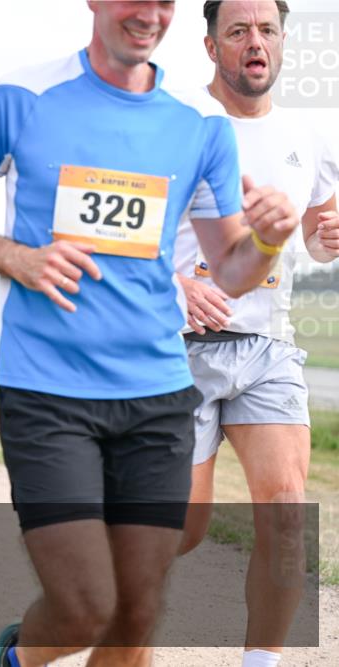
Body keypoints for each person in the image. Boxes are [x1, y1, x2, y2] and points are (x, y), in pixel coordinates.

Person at [0, 2, 301, 666]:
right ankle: (15, 657)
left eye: (165, 0)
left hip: (157, 394)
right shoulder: (20, 99)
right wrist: (17, 257)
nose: (150, 13)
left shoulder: (201, 123)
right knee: (84, 605)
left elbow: (235, 268)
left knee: (136, 611)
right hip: (47, 392)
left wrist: (268, 237)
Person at [169, 3, 338, 666]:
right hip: (177, 348)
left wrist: (327, 240)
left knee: (287, 512)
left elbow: (320, 231)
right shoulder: (174, 123)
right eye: (238, 30)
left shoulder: (310, 135)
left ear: (284, 42)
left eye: (266, 29)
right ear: (211, 45)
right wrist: (177, 287)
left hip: (266, 347)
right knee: (180, 529)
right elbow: (122, 236)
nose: (254, 42)